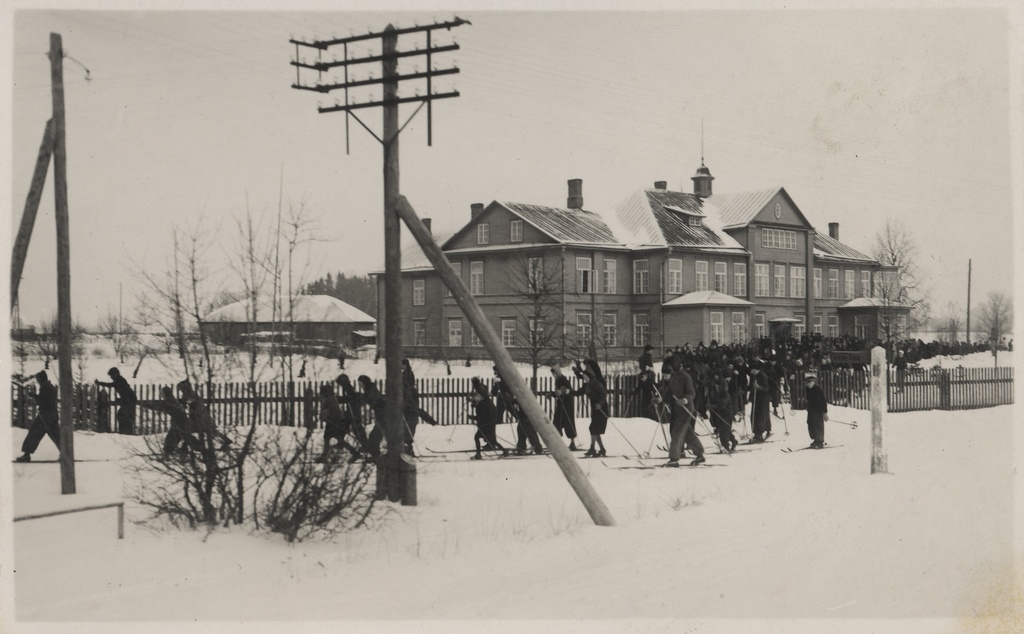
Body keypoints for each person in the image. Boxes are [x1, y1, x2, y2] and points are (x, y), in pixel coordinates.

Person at [665, 356, 704, 466]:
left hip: (686, 408)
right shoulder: (673, 377)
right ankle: (700, 454)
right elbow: (669, 393)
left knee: (676, 431)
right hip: (677, 408)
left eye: (671, 366)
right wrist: (660, 399)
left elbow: (692, 392)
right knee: (687, 433)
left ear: (676, 365)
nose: (670, 368)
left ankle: (674, 459)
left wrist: (685, 400)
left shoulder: (686, 377)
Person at [140, 386, 202, 458]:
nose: (162, 396)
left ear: (165, 394)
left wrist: (145, 404)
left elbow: (158, 406)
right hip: (181, 422)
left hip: (180, 423)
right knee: (183, 437)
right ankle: (185, 449)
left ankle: (199, 448)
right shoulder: (172, 400)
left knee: (177, 438)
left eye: (162, 394)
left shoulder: (169, 401)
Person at [15, 371, 59, 462]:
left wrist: (35, 397)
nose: (37, 381)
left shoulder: (45, 388)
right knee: (56, 435)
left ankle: (26, 454)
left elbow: (43, 402)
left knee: (34, 433)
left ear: (41, 379)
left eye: (38, 379)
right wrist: (36, 396)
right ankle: (66, 452)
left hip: (45, 415)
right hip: (52, 415)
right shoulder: (49, 387)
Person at [176, 380, 232, 450]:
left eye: (181, 389)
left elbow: (193, 401)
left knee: (189, 430)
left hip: (200, 417)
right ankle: (185, 446)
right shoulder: (187, 395)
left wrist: (185, 402)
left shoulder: (191, 394)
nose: (181, 390)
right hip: (197, 417)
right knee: (208, 431)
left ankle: (226, 441)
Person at [316, 383, 362, 462]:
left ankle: (324, 457)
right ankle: (355, 453)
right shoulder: (332, 398)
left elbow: (331, 411)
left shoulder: (329, 400)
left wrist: (324, 416)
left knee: (328, 439)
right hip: (337, 421)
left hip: (334, 422)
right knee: (338, 440)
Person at [468, 380, 507, 459]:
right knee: (490, 440)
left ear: (479, 397)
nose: (474, 399)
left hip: (486, 425)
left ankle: (478, 454)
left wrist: (472, 417)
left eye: (475, 397)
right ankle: (504, 451)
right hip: (486, 424)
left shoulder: (483, 404)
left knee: (482, 438)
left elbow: (482, 416)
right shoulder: (484, 402)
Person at [95, 367, 137, 435]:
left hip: (129, 401)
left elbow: (125, 391)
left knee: (123, 416)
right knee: (123, 416)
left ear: (115, 374)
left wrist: (100, 383)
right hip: (129, 400)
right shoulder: (119, 380)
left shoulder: (119, 380)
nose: (111, 377)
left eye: (111, 375)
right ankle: (125, 432)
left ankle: (126, 432)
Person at [550, 365, 579, 451]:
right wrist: (553, 394)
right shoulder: (558, 380)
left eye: (554, 374)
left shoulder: (564, 380)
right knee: (557, 422)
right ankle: (558, 442)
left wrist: (561, 392)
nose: (553, 375)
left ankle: (572, 442)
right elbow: (557, 392)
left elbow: (567, 390)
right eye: (553, 374)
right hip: (560, 404)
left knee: (568, 422)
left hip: (567, 404)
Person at [356, 375, 386, 457]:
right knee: (376, 435)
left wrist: (358, 397)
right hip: (380, 414)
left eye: (360, 383)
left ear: (365, 383)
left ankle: (376, 455)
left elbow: (367, 398)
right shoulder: (370, 389)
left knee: (376, 435)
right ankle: (376, 454)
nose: (360, 386)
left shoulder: (371, 390)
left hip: (383, 414)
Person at [582, 369, 609, 457]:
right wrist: (568, 392)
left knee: (594, 428)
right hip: (595, 408)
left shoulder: (596, 383)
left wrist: (600, 404)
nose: (584, 378)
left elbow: (604, 394)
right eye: (583, 377)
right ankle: (601, 449)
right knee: (594, 429)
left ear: (589, 376)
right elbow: (579, 392)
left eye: (585, 377)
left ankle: (593, 448)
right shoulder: (588, 385)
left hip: (601, 408)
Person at [708, 377, 738, 453]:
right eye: (716, 387)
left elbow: (721, 405)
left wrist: (712, 406)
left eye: (718, 387)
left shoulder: (725, 394)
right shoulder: (719, 394)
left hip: (726, 415)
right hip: (720, 415)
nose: (717, 388)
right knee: (725, 430)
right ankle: (733, 441)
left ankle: (725, 447)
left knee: (723, 432)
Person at [748, 360, 772, 442]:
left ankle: (760, 433)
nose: (753, 372)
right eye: (752, 370)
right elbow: (751, 386)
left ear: (758, 370)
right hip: (755, 398)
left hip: (763, 399)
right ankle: (756, 432)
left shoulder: (763, 376)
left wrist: (759, 387)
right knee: (754, 415)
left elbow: (766, 388)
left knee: (761, 416)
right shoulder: (752, 376)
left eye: (754, 370)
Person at [804, 374, 829, 449]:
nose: (808, 384)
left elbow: (823, 402)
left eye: (810, 382)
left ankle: (820, 441)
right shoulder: (808, 389)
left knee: (818, 425)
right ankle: (815, 440)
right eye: (807, 382)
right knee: (810, 423)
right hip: (811, 410)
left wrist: (824, 413)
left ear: (813, 382)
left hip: (818, 410)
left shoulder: (817, 390)